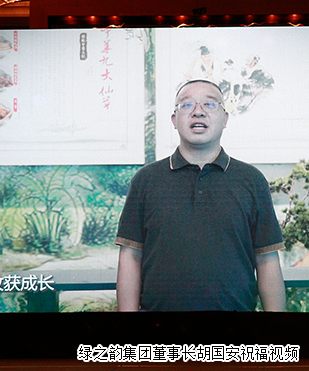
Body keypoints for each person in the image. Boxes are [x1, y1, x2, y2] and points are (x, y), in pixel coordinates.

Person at [115, 79, 286, 311]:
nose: (198, 111)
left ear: (225, 119)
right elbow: (130, 256)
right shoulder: (146, 180)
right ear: (174, 120)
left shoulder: (252, 180)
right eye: (187, 105)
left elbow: (266, 260)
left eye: (210, 104)